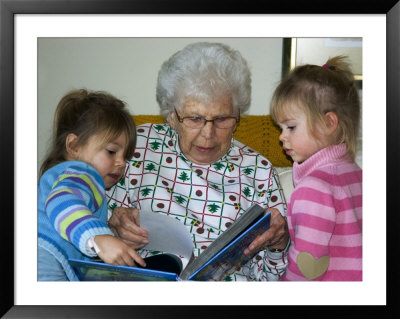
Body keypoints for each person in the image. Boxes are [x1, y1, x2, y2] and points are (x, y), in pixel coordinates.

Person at [106, 42, 290, 281]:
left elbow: (271, 279)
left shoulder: (259, 171)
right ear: (172, 116)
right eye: (194, 118)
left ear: (237, 118)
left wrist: (279, 244)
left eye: (222, 118)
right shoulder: (136, 146)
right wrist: (111, 226)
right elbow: (87, 223)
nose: (208, 133)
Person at [38, 89, 146, 281]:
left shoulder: (64, 174)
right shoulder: (84, 173)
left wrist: (109, 237)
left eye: (126, 156)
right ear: (73, 146)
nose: (121, 163)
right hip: (45, 255)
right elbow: (62, 201)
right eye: (112, 151)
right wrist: (98, 238)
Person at [270, 56, 362, 281]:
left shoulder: (314, 188)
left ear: (329, 123)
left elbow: (307, 267)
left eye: (291, 127)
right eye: (281, 128)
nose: (282, 136)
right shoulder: (355, 173)